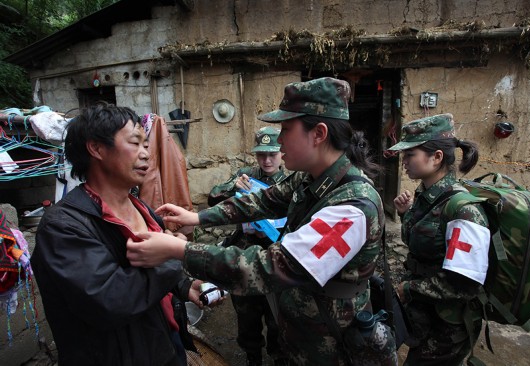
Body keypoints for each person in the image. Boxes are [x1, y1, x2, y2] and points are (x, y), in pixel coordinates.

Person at [127, 77, 398, 365]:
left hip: (329, 342)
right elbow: (264, 200)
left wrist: (178, 251)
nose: (279, 141)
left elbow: (272, 267)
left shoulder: (352, 207)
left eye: (286, 130)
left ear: (318, 133)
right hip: (300, 328)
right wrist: (198, 217)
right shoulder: (312, 177)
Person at [30, 103, 221, 366]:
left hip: (164, 342)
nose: (146, 154)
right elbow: (109, 301)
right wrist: (173, 255)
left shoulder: (142, 208)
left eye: (146, 145)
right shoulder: (62, 226)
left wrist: (185, 285)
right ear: (96, 148)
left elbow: (153, 271)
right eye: (136, 143)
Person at [388, 114, 490, 365]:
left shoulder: (463, 210)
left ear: (436, 158)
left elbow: (464, 283)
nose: (404, 162)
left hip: (447, 329)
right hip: (425, 316)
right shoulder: (426, 196)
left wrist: (408, 289)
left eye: (410, 154)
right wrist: (405, 215)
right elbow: (418, 245)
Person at [208, 126, 286, 366]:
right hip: (244, 254)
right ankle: (253, 357)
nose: (267, 160)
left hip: (277, 254)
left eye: (272, 153)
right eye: (262, 154)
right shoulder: (245, 175)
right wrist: (233, 187)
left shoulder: (291, 180)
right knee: (246, 311)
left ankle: (279, 356)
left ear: (282, 153)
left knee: (277, 315)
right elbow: (212, 197)